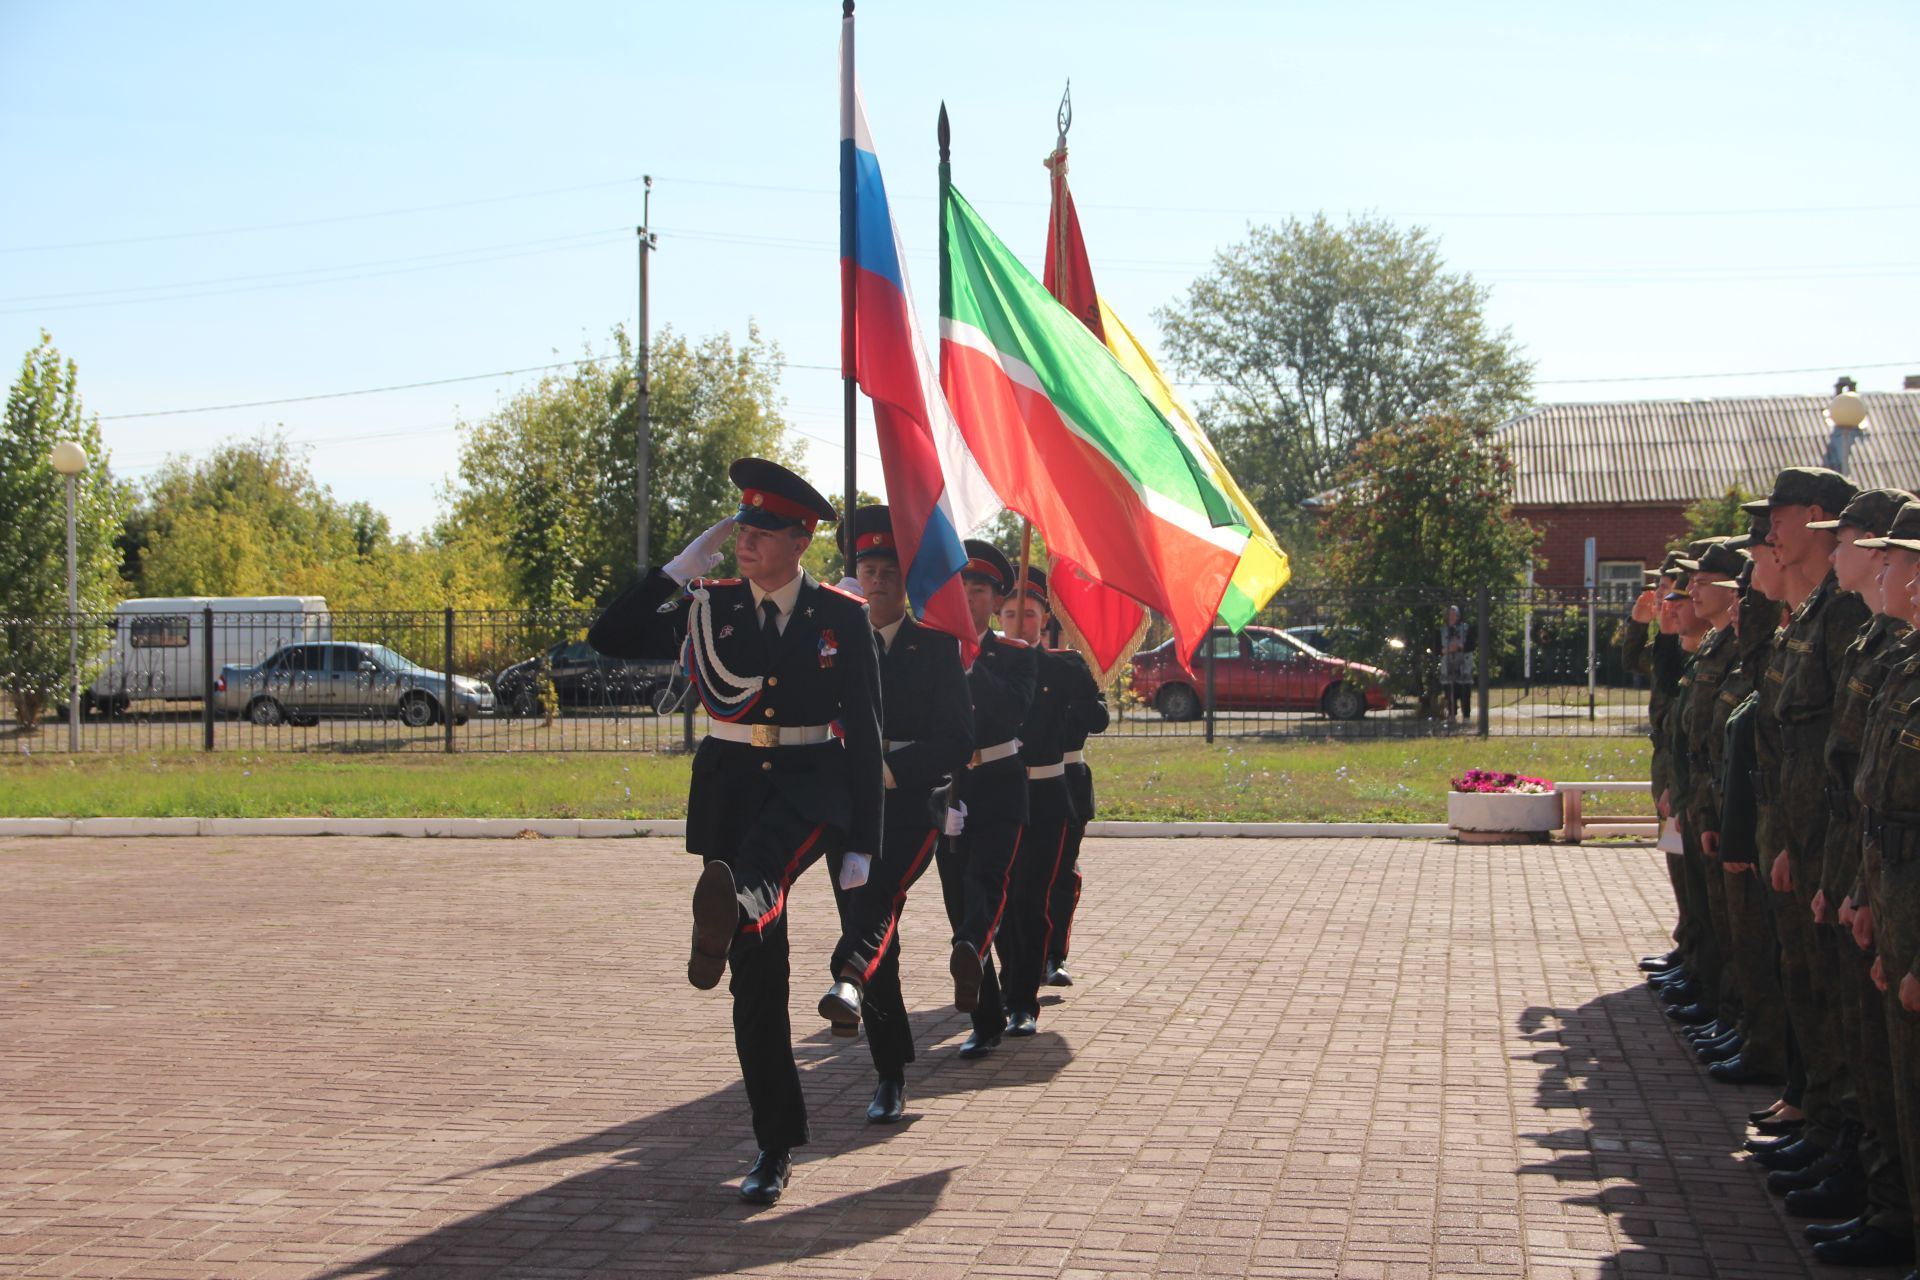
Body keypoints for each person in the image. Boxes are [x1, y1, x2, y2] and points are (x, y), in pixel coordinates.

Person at [586, 458, 884, 1206]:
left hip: (811, 782)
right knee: (758, 981)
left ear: (801, 540)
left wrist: (865, 845)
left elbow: (870, 735)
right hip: (729, 787)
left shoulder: (840, 616)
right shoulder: (708, 605)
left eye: (762, 530)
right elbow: (609, 635)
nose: (746, 541)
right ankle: (774, 1141)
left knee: (756, 874)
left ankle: (733, 905)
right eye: (741, 528)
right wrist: (680, 566)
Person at [829, 506, 975, 1123]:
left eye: (890, 568)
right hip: (847, 803)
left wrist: (892, 770)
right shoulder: (833, 645)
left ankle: (847, 979)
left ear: (906, 580)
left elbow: (957, 739)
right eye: (868, 567)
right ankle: (889, 1066)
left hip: (911, 804)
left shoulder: (934, 649)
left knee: (877, 897)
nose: (879, 578)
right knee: (868, 915)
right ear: (854, 576)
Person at [994, 567, 1107, 1036]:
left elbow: (1095, 719)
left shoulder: (1065, 666)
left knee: (1032, 898)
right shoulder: (984, 662)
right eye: (1011, 613)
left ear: (1045, 620)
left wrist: (1073, 699)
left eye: (1030, 614)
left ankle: (1024, 998)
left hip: (1046, 793)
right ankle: (1005, 982)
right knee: (997, 899)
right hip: (994, 795)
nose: (1020, 622)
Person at [941, 540, 1037, 1059]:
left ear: (996, 599)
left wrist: (971, 661)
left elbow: (1010, 712)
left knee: (989, 885)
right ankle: (986, 1017)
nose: (967, 596)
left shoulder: (1016, 656)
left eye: (977, 589)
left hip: (1000, 781)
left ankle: (982, 961)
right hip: (950, 788)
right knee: (960, 900)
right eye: (960, 585)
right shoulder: (931, 649)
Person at [1440, 604, 1474, 721]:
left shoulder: (1466, 628)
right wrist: (1448, 649)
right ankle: (1451, 715)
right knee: (1449, 690)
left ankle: (1466, 716)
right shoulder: (1443, 629)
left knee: (1465, 690)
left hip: (1463, 664)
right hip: (1448, 663)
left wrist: (1459, 646)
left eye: (1455, 614)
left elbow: (1470, 645)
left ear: (1459, 616)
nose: (1452, 616)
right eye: (1450, 614)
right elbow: (1438, 647)